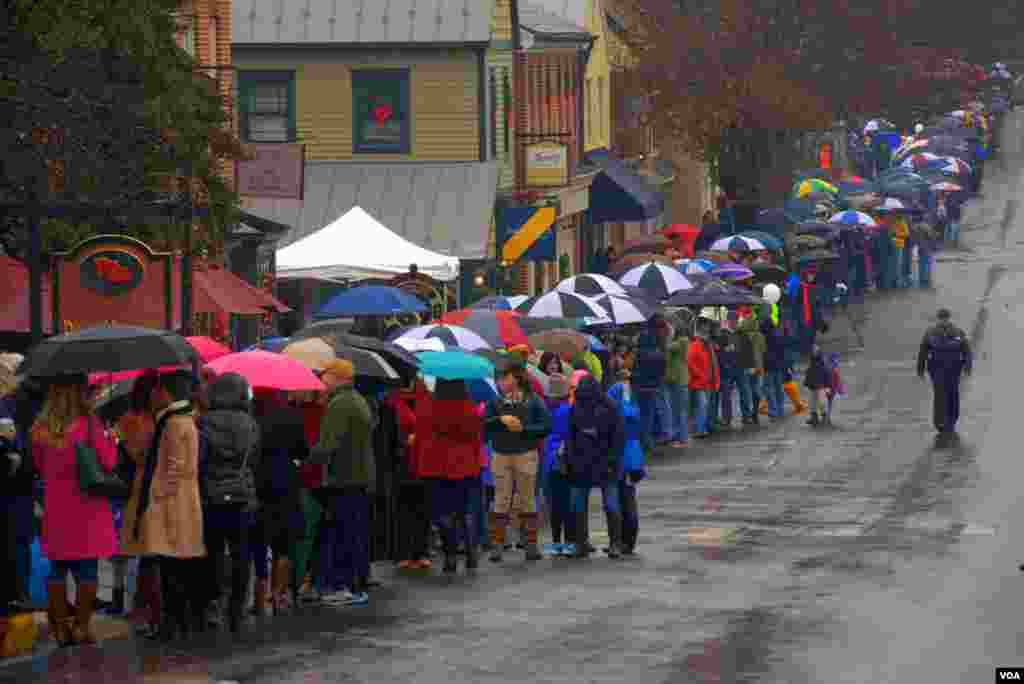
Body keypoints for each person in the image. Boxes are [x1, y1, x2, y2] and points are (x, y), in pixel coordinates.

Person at [31, 374, 119, 646]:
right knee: (87, 569)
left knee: (57, 568)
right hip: (87, 506)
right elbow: (108, 461)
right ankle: (81, 627)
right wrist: (108, 436)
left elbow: (37, 464)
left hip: (56, 506)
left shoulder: (39, 427)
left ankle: (60, 629)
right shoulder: (89, 424)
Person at [129, 370, 205, 641]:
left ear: (165, 393)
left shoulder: (173, 422)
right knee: (177, 565)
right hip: (181, 500)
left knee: (170, 566)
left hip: (171, 503)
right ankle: (179, 621)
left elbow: (174, 466)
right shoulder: (184, 419)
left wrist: (157, 494)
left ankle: (171, 624)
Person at [312, 359, 375, 606]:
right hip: (359, 477)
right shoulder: (358, 400)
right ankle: (355, 583)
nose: (321, 380)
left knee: (342, 533)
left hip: (343, 477)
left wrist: (307, 462)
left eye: (325, 375)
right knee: (354, 532)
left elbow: (328, 444)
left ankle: (343, 586)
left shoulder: (340, 404)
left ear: (337, 377)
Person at [484, 361, 551, 563]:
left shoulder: (534, 401)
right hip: (500, 454)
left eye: (505, 378)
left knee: (527, 499)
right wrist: (499, 421)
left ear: (517, 378)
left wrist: (524, 429)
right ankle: (497, 545)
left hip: (526, 454)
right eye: (499, 378)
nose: (500, 382)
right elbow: (484, 428)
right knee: (501, 499)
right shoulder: (494, 403)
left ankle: (530, 545)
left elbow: (546, 427)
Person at [415, 379, 483, 574]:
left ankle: (450, 557)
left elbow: (421, 432)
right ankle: (471, 555)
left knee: (443, 512)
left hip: (436, 466)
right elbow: (474, 434)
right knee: (464, 511)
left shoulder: (429, 405)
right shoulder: (468, 406)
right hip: (465, 465)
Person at [251, 389, 307, 615]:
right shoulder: (291, 416)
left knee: (259, 541)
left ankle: (259, 597)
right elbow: (303, 451)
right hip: (286, 481)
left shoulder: (252, 416)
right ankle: (279, 594)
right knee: (284, 542)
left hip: (258, 482)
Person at [564, 375, 625, 559]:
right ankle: (585, 543)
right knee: (584, 504)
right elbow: (572, 436)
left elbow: (618, 438)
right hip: (585, 463)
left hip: (603, 462)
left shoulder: (609, 407)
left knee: (608, 504)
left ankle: (613, 542)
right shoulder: (580, 407)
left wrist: (612, 461)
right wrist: (572, 459)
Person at [917, 308, 972, 437]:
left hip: (953, 369)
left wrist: (967, 366)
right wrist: (920, 368)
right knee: (940, 394)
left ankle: (952, 420)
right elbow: (923, 351)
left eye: (946, 319)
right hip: (936, 369)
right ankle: (939, 422)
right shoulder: (930, 333)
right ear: (938, 319)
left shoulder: (958, 332)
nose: (944, 321)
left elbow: (966, 350)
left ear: (949, 319)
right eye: (942, 319)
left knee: (953, 393)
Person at [607, 370, 645, 555]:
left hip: (625, 457)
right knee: (627, 499)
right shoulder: (632, 403)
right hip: (633, 456)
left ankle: (625, 541)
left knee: (624, 501)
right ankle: (627, 541)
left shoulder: (619, 401)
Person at [541, 375, 573, 556]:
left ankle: (555, 543)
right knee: (566, 505)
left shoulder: (548, 411)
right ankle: (568, 544)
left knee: (555, 507)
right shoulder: (568, 411)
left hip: (550, 462)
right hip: (565, 461)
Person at [631, 327, 667, 449]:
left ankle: (642, 439)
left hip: (639, 387)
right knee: (650, 414)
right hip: (653, 387)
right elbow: (662, 371)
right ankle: (648, 440)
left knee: (639, 413)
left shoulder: (638, 354)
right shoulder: (659, 354)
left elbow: (634, 370)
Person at [687, 319, 720, 439]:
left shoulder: (707, 344)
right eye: (704, 327)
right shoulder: (696, 344)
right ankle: (699, 429)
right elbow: (690, 362)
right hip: (701, 382)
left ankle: (703, 427)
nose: (707, 329)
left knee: (704, 406)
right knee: (702, 406)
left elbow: (713, 363)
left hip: (708, 381)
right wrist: (700, 375)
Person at [664, 325, 690, 448]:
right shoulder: (679, 342)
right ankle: (680, 437)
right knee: (678, 410)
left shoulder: (682, 341)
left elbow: (667, 347)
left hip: (679, 380)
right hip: (676, 380)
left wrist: (668, 335)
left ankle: (680, 438)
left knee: (678, 411)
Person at [803, 330, 831, 427]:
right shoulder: (813, 363)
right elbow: (809, 373)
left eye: (815, 349)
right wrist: (807, 382)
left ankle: (824, 417)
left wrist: (827, 386)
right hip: (813, 385)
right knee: (812, 402)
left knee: (821, 401)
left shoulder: (821, 364)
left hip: (820, 386)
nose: (814, 350)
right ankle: (814, 417)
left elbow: (826, 375)